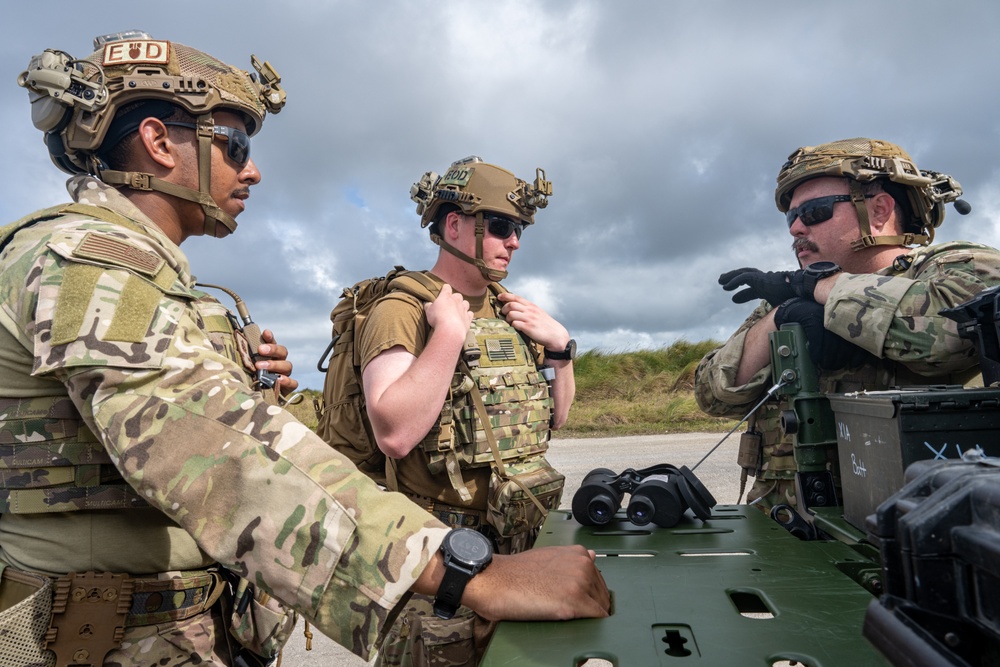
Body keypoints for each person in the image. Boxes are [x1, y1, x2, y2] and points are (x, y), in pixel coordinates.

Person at [0, 32, 609, 667]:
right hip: (101, 640)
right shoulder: (84, 261)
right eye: (234, 145)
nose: (252, 169)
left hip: (171, 628)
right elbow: (211, 453)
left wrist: (251, 383)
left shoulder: (154, 278)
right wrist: (464, 575)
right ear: (157, 143)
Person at [694, 137, 1000, 512]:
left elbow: (946, 334)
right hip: (781, 532)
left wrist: (812, 288)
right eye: (792, 217)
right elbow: (713, 393)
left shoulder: (963, 265)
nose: (795, 229)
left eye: (814, 211)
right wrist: (781, 316)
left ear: (879, 210)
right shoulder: (789, 300)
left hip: (910, 537)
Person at [354, 156, 577, 665]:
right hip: (444, 560)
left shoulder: (509, 310)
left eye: (518, 229)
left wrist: (562, 351)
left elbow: (554, 420)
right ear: (453, 226)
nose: (514, 241)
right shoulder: (404, 308)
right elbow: (393, 431)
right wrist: (449, 334)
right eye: (500, 226)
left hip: (520, 544)